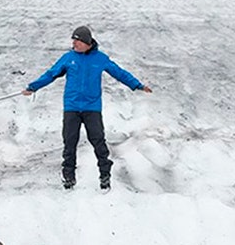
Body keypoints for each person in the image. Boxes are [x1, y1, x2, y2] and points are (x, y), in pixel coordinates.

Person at [22, 25, 152, 190]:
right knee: (70, 142)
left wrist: (137, 85)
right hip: (72, 107)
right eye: (73, 41)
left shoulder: (100, 58)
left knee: (98, 142)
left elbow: (120, 73)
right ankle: (68, 178)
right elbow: (51, 74)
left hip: (92, 108)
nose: (74, 44)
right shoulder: (69, 58)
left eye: (77, 41)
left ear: (86, 42)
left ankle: (105, 175)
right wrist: (33, 87)